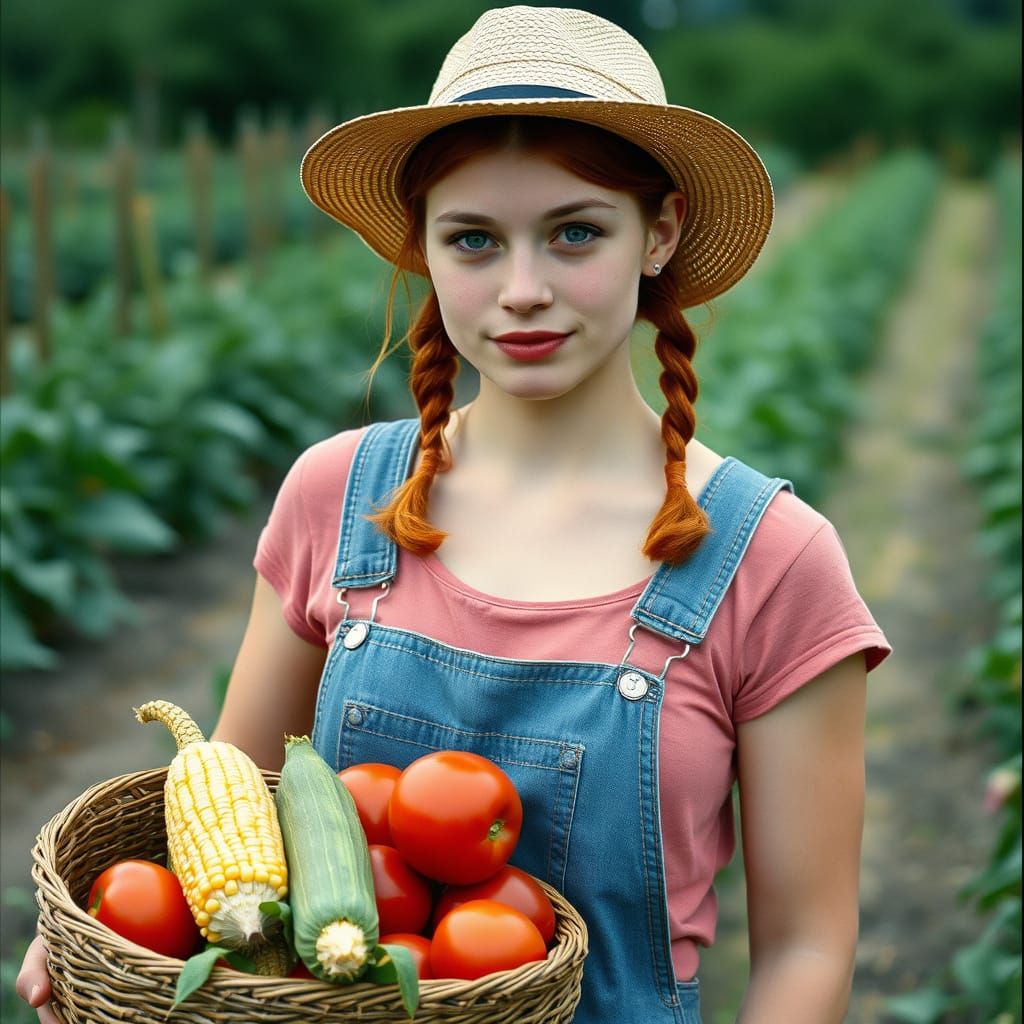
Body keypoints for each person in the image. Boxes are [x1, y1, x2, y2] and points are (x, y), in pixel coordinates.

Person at [18, 7, 890, 1023]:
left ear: (659, 233)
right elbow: (230, 813)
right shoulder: (337, 497)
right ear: (422, 251)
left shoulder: (771, 558)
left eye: (575, 232)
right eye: (473, 239)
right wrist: (121, 929)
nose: (522, 290)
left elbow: (806, 949)